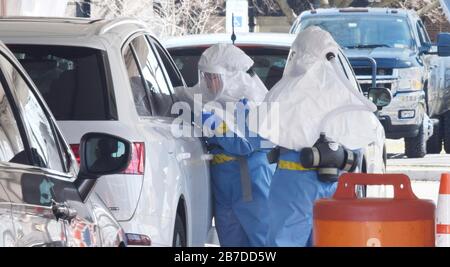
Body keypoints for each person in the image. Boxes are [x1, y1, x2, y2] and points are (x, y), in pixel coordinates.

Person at [254, 26, 384, 247]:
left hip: (294, 183)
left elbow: (261, 127)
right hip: (336, 182)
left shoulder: (286, 90)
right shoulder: (343, 90)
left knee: (285, 241)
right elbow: (364, 132)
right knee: (332, 239)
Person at [183, 43, 274, 247]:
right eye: (205, 77)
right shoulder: (211, 101)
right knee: (231, 241)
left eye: (213, 77)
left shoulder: (252, 102)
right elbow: (182, 97)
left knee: (261, 240)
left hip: (249, 180)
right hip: (224, 181)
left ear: (230, 76)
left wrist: (217, 127)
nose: (208, 83)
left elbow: (245, 145)